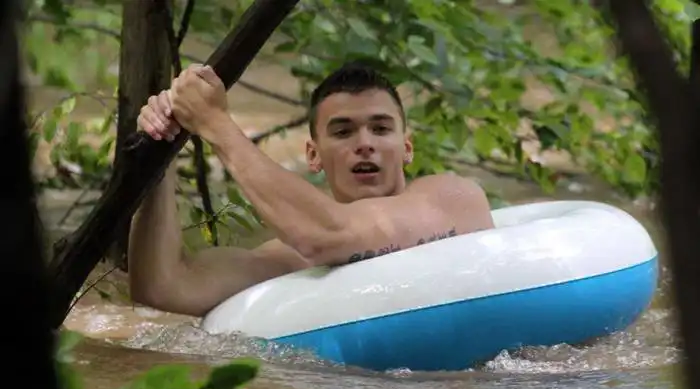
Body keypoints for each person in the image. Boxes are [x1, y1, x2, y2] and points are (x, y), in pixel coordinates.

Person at [129, 61, 495, 317]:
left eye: (381, 129)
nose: (365, 143)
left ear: (407, 149)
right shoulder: (291, 258)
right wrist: (161, 151)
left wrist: (213, 122)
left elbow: (331, 235)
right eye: (343, 131)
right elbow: (165, 289)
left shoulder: (454, 198)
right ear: (313, 155)